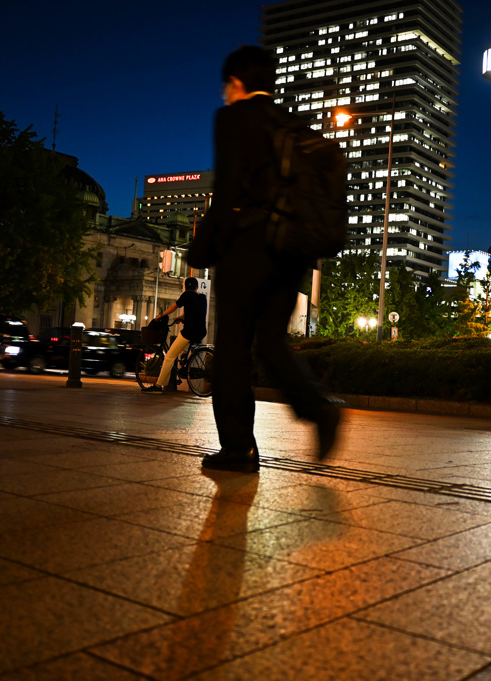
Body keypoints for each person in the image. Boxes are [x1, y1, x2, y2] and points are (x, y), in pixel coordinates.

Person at [192, 44, 341, 473]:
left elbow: (229, 191)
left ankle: (239, 448)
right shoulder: (291, 123)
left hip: (248, 248)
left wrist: (203, 249)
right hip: (292, 251)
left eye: (226, 86)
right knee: (272, 343)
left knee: (235, 348)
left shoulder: (233, 118)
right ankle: (320, 408)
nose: (224, 94)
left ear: (236, 83)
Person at [143, 277, 208, 393]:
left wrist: (162, 315)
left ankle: (159, 385)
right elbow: (196, 311)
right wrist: (181, 317)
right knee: (184, 352)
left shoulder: (186, 295)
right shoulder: (203, 298)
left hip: (189, 332)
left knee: (169, 357)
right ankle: (185, 364)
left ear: (186, 288)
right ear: (197, 287)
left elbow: (174, 306)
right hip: (201, 332)